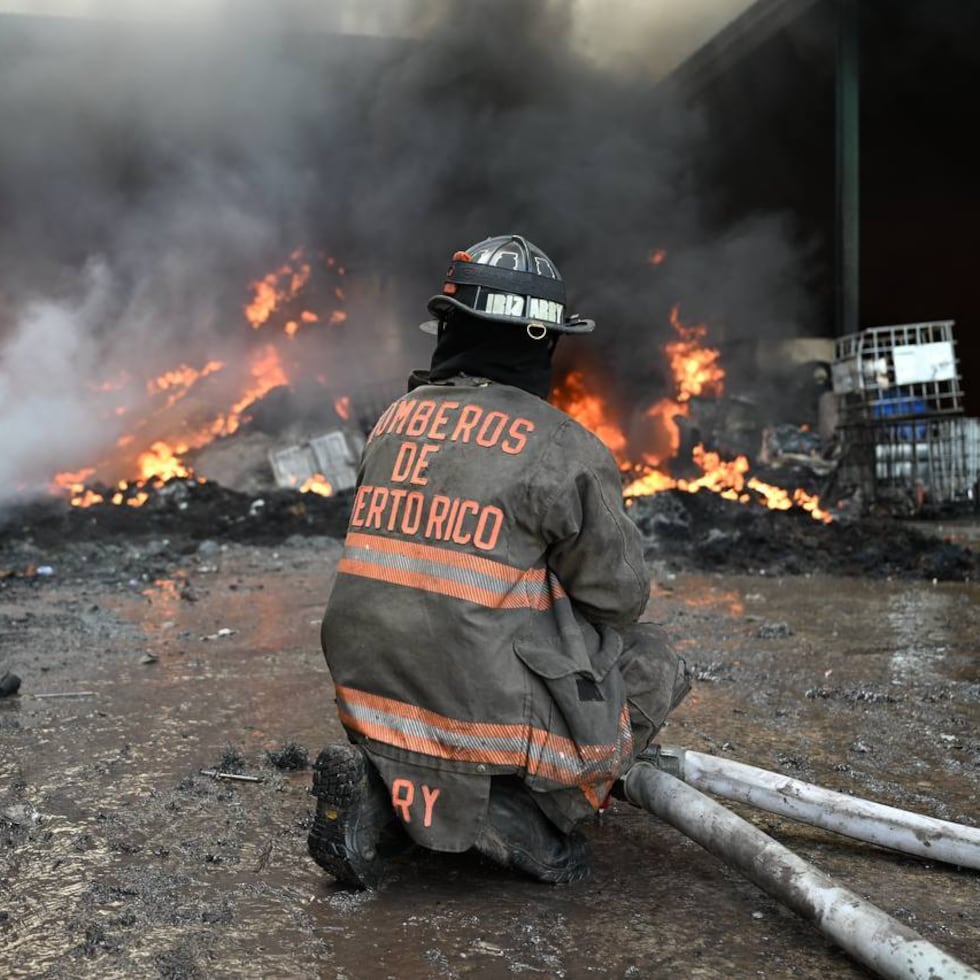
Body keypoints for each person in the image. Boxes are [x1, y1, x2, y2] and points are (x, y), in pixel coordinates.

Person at [309, 234, 690, 888]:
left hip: (370, 700)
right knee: (651, 659)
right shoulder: (561, 446)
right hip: (478, 721)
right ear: (541, 341)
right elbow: (619, 599)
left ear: (449, 328)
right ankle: (530, 813)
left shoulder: (393, 421)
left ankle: (387, 796)